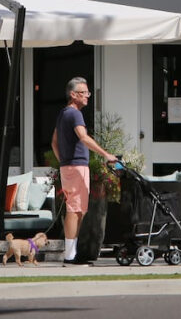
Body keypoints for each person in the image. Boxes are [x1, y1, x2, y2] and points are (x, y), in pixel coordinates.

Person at [51, 77, 117, 266]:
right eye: (84, 92)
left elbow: (54, 142)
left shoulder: (63, 114)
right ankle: (70, 256)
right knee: (75, 209)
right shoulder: (75, 114)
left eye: (88, 92)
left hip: (69, 166)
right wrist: (106, 154)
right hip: (76, 167)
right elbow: (84, 138)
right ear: (73, 94)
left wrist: (63, 160)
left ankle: (72, 254)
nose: (88, 96)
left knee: (78, 209)